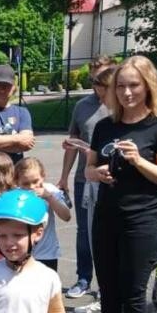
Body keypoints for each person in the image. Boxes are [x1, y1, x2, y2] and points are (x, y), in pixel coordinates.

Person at [84, 55, 157, 313]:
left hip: (142, 221)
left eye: (133, 85)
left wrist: (138, 161)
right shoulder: (105, 126)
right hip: (107, 219)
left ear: (148, 86)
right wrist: (98, 173)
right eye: (120, 86)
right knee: (108, 290)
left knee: (133, 292)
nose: (126, 92)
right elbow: (88, 169)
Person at [57, 56, 117, 300]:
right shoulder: (82, 106)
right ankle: (83, 278)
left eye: (102, 80)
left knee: (111, 232)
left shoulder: (120, 105)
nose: (97, 85)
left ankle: (108, 285)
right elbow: (72, 142)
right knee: (84, 232)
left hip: (113, 180)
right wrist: (64, 177)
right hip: (86, 179)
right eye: (94, 80)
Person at [15, 156, 71, 271]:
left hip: (46, 254)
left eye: (35, 182)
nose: (31, 187)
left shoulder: (50, 190)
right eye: (26, 184)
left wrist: (49, 197)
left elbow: (66, 216)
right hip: (21, 254)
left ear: (43, 176)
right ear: (17, 182)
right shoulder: (14, 195)